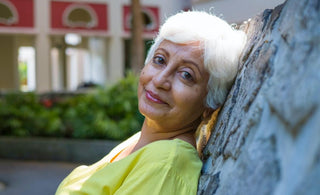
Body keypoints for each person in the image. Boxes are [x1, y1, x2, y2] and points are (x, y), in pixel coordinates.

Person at [56, 11, 246, 195]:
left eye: (186, 75)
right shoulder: (142, 139)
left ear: (209, 104)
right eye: (160, 60)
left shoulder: (166, 163)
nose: (159, 80)